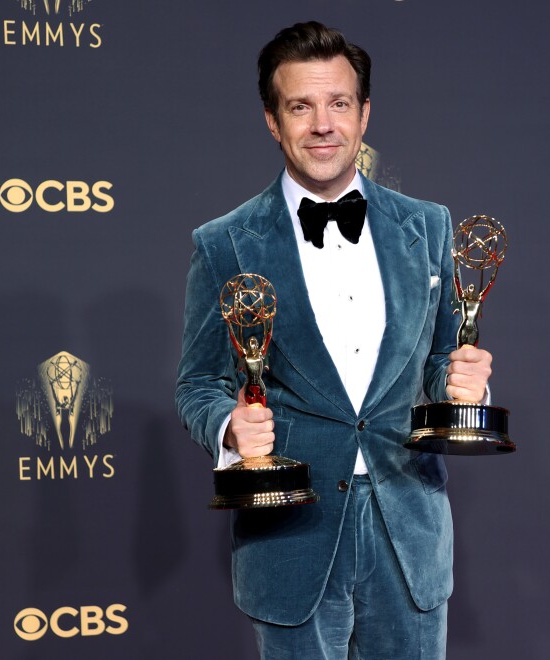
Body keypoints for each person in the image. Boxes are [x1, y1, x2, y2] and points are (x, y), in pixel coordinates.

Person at [176, 21, 492, 659]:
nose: (323, 124)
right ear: (273, 120)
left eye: (339, 103)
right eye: (301, 106)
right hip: (291, 533)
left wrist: (462, 386)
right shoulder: (224, 243)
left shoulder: (427, 227)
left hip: (408, 529)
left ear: (364, 114)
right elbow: (198, 384)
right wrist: (230, 428)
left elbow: (434, 360)